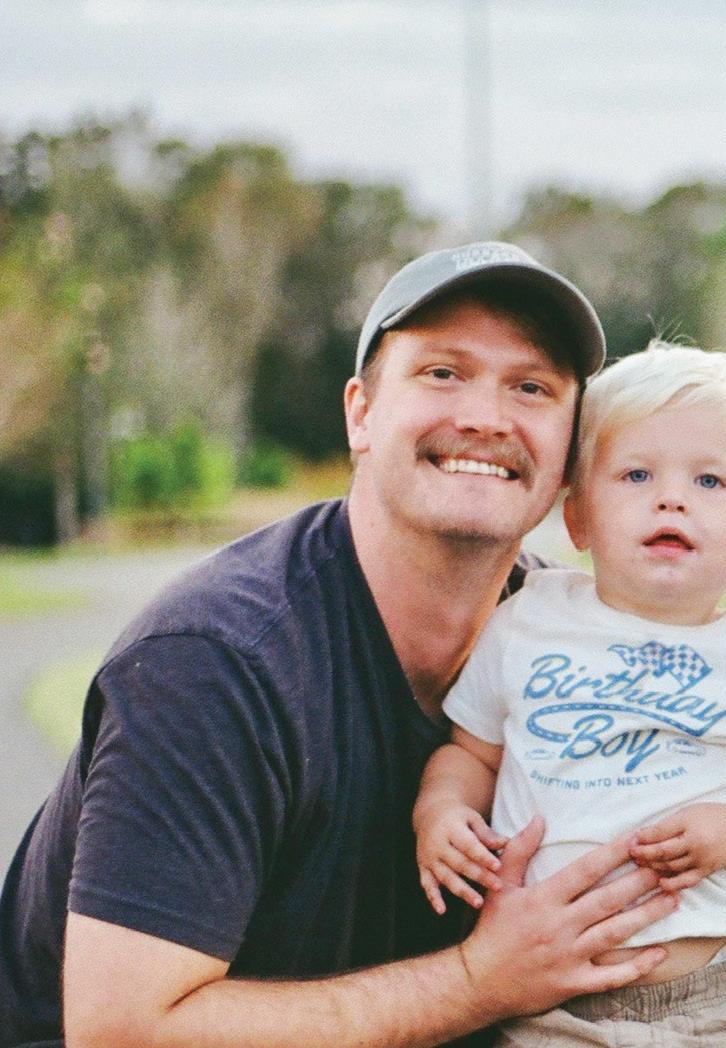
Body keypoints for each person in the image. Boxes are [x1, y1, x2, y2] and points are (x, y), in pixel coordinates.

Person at [0, 242, 687, 1048]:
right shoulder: (218, 663)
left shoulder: (575, 646)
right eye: (443, 373)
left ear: (572, 447)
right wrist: (478, 982)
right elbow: (123, 1031)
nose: (485, 417)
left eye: (531, 387)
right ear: (361, 413)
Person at [414, 343, 726, 1047]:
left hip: (710, 1004)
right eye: (636, 474)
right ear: (579, 520)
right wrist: (440, 811)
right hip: (544, 1005)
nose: (671, 498)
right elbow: (471, 752)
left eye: (710, 480)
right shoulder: (529, 619)